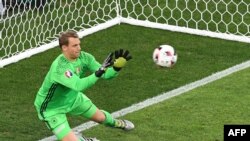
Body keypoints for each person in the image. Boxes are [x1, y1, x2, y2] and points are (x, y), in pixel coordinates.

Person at [34, 30, 134, 141]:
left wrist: (116, 68)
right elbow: (79, 85)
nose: (79, 48)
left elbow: (105, 74)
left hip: (73, 98)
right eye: (75, 45)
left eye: (79, 44)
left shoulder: (84, 58)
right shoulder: (59, 68)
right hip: (52, 109)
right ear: (64, 48)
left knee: (101, 117)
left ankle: (118, 123)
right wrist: (98, 72)